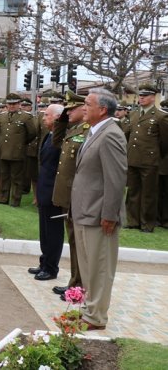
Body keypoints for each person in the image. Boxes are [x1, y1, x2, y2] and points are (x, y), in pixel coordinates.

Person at [71, 88, 127, 330]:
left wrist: (109, 214)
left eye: (87, 104)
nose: (83, 107)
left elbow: (115, 179)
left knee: (100, 268)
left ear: (102, 109)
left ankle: (96, 317)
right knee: (88, 267)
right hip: (84, 210)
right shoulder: (94, 131)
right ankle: (88, 310)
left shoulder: (111, 134)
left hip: (99, 214)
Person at [50, 91, 88, 300]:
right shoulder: (73, 129)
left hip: (78, 195)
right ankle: (74, 282)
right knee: (73, 241)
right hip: (68, 195)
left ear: (84, 109)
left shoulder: (88, 130)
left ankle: (79, 285)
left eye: (71, 109)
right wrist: (63, 119)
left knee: (78, 242)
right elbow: (57, 142)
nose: (68, 112)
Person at [122, 83, 168, 232]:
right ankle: (133, 220)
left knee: (149, 193)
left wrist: (155, 154)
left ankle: (147, 223)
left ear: (153, 97)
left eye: (145, 96)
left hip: (150, 160)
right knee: (133, 191)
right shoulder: (133, 114)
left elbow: (165, 142)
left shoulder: (161, 116)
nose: (141, 98)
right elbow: (127, 135)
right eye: (140, 95)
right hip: (133, 158)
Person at [28, 103, 64, 282]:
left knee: (54, 232)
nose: (43, 118)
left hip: (54, 193)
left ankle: (51, 268)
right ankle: (44, 262)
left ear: (57, 117)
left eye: (47, 115)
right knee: (44, 231)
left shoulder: (62, 138)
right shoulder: (49, 135)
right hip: (44, 190)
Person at [0, 93, 36, 207]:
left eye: (14, 104)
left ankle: (15, 200)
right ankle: (3, 198)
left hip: (17, 151)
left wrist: (21, 143)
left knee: (17, 178)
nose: (12, 106)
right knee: (4, 176)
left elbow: (32, 133)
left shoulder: (26, 117)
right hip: (4, 150)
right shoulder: (2, 116)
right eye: (9, 104)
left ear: (19, 104)